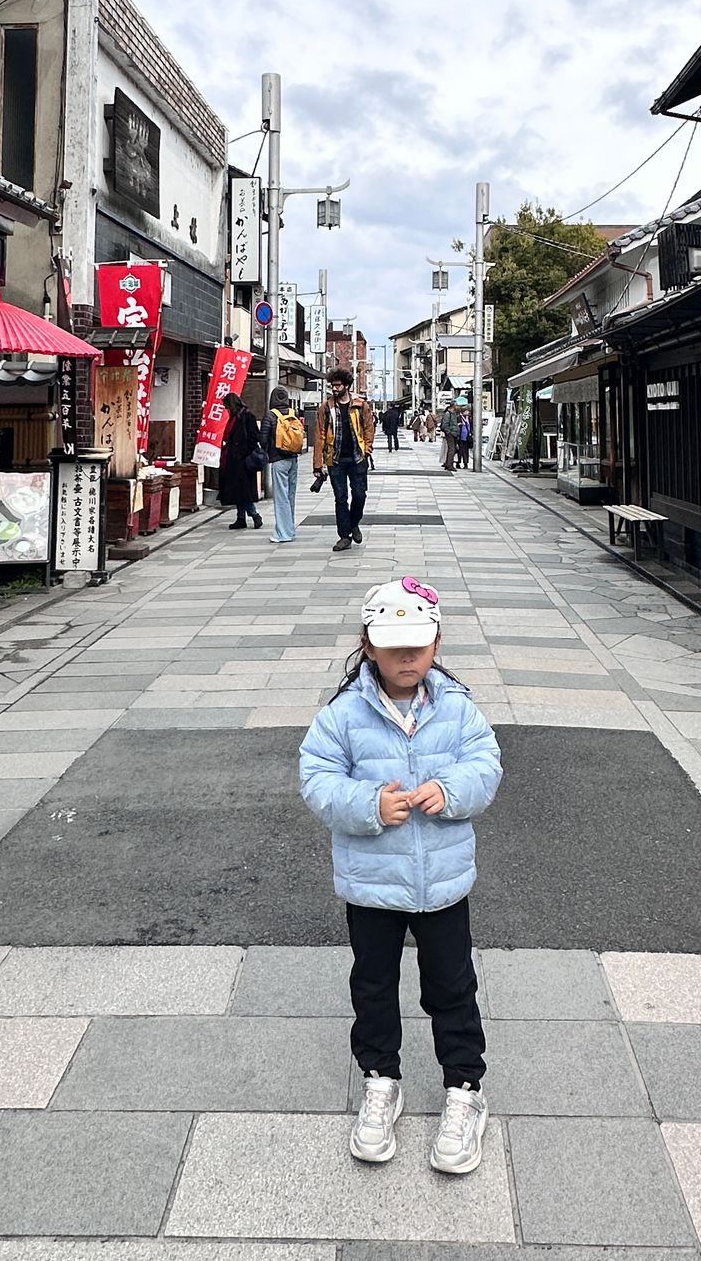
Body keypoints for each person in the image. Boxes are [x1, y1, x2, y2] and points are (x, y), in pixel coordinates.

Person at [299, 575, 502, 1174]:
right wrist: (367, 805)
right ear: (368, 645)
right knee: (374, 985)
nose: (407, 656)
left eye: (418, 642)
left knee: (451, 987)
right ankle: (380, 1079)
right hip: (371, 885)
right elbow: (317, 778)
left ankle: (464, 1089)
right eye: (392, 644)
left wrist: (452, 789)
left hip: (442, 884)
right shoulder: (342, 715)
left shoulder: (458, 708)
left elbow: (485, 763)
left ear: (437, 641)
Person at [315, 369, 375, 552]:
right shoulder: (326, 408)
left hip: (357, 458)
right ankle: (344, 535)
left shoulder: (360, 405)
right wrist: (318, 464)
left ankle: (354, 522)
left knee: (360, 495)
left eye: (338, 385)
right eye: (332, 385)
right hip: (336, 460)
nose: (334, 389)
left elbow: (368, 428)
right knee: (340, 498)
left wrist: (367, 450)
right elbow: (319, 436)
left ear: (346, 386)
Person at [261, 385, 303, 545]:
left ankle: (282, 533)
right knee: (290, 496)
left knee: (281, 497)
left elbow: (263, 439)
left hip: (278, 460)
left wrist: (265, 451)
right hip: (293, 459)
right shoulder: (294, 414)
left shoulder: (271, 416)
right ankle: (290, 529)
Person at [218, 389, 264, 530]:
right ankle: (240, 518)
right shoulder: (235, 417)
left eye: (227, 407)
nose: (226, 410)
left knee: (241, 491)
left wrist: (243, 453)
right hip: (233, 461)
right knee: (238, 491)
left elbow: (254, 437)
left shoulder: (246, 417)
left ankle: (254, 515)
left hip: (242, 461)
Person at [439, 400, 460, 471]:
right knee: (452, 449)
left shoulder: (454, 414)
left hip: (454, 434)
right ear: (453, 405)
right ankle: (449, 465)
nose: (457, 407)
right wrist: (449, 432)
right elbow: (445, 425)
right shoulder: (448, 414)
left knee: (453, 449)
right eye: (456, 405)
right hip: (450, 434)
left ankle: (448, 464)